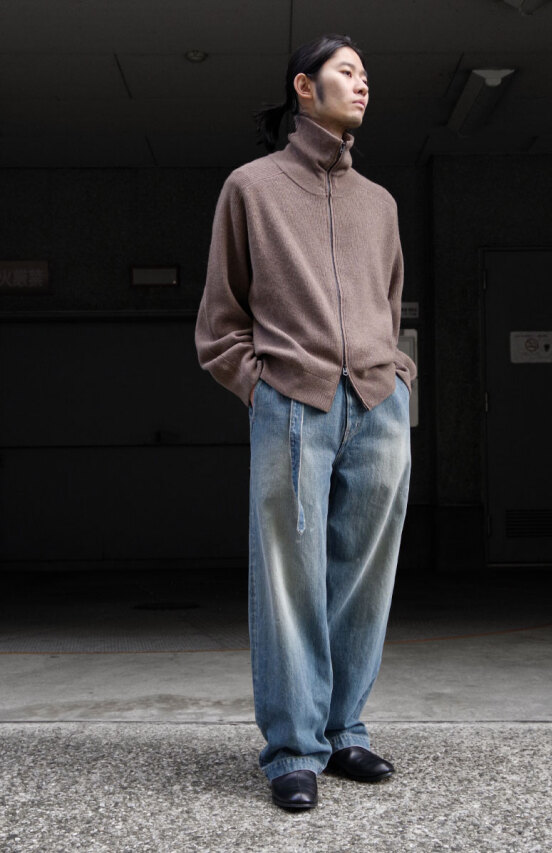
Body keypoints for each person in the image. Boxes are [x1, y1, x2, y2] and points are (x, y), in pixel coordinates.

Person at [195, 33, 416, 810]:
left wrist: (397, 376)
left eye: (366, 74)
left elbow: (390, 307)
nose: (362, 84)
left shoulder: (380, 203)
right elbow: (221, 320)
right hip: (292, 401)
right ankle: (293, 749)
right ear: (303, 85)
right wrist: (260, 387)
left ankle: (344, 728)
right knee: (289, 577)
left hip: (379, 405)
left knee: (364, 575)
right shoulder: (250, 188)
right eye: (347, 71)